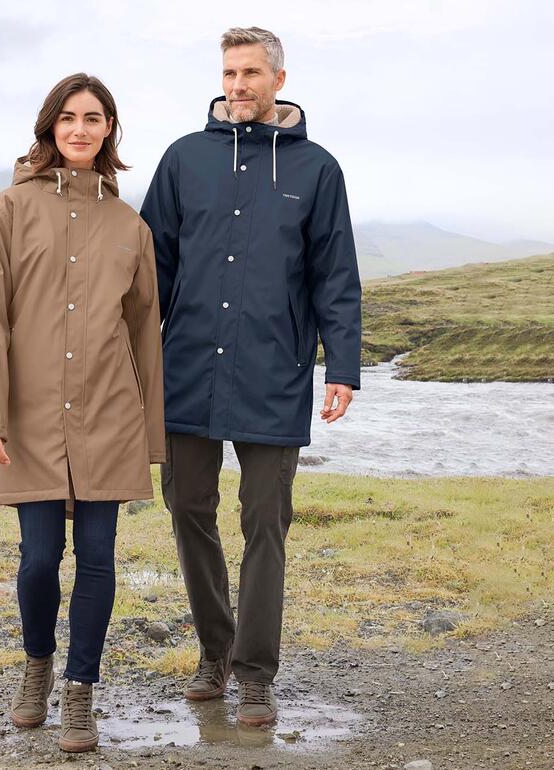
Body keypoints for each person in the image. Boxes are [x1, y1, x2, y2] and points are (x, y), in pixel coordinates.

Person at [140, 27, 362, 727]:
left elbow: (336, 275)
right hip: (187, 373)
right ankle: (215, 650)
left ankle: (256, 674)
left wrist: (343, 367)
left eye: (250, 73)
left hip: (276, 373)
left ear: (279, 78)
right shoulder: (183, 160)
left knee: (265, 521)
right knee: (187, 509)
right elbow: (151, 271)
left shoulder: (318, 171)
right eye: (229, 72)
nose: (237, 85)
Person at [0, 73, 165, 753]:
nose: (81, 129)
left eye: (95, 118)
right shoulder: (9, 209)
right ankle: (37, 666)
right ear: (50, 126)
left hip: (110, 415)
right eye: (69, 118)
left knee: (99, 557)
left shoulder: (129, 226)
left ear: (110, 130)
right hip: (32, 415)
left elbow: (144, 334)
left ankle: (81, 692)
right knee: (40, 558)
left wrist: (151, 435)